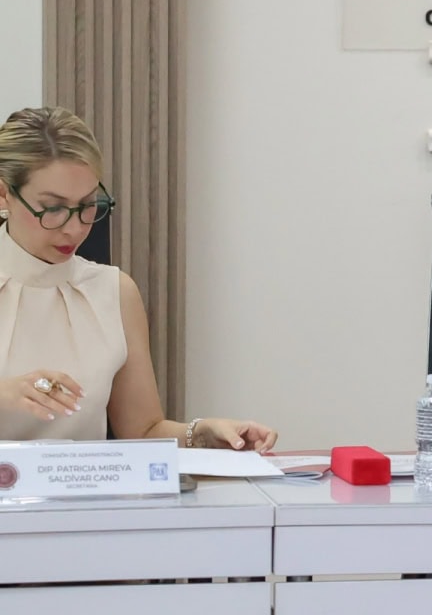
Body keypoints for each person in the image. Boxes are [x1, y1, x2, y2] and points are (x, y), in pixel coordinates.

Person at [0, 106, 277, 451]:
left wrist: (204, 434)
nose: (75, 228)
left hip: (86, 485)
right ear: (4, 194)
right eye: (53, 208)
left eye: (87, 205)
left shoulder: (114, 291)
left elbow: (142, 432)